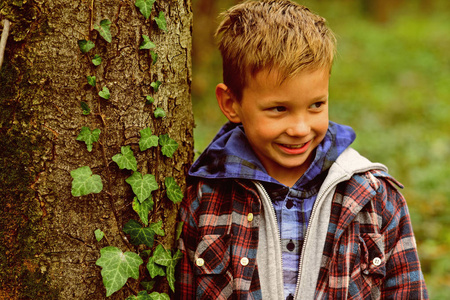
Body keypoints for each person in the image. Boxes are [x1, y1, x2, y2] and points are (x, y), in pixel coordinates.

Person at [175, 0, 428, 299]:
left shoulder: (374, 198)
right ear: (231, 104)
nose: (300, 128)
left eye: (316, 105)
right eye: (279, 109)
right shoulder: (205, 198)